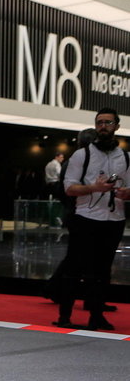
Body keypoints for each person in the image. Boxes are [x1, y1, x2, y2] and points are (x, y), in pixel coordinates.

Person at [53, 108, 130, 331]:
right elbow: (69, 188)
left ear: (116, 126)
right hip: (85, 218)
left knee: (103, 271)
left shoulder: (125, 157)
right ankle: (64, 315)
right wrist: (93, 188)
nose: (103, 126)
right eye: (99, 123)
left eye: (107, 122)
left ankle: (97, 316)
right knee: (74, 269)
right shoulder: (81, 155)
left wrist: (126, 193)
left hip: (114, 219)